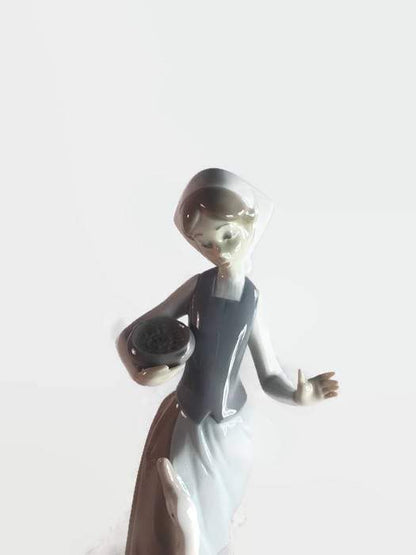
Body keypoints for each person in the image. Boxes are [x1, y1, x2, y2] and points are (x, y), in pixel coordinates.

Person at [117, 168, 339, 555]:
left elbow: (269, 374)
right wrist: (142, 373)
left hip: (230, 429)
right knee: (178, 510)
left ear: (249, 227)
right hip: (188, 417)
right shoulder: (198, 287)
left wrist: (297, 395)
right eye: (204, 243)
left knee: (214, 519)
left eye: (227, 236)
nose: (217, 250)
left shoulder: (252, 301)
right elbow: (132, 335)